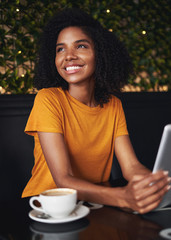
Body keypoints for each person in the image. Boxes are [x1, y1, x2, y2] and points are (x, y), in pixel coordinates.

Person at [22, 8, 170, 214]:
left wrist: (156, 185)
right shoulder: (48, 99)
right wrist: (124, 198)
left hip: (91, 203)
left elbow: (131, 167)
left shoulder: (113, 104)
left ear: (100, 53)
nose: (69, 56)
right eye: (60, 49)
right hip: (47, 206)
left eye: (80, 46)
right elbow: (63, 179)